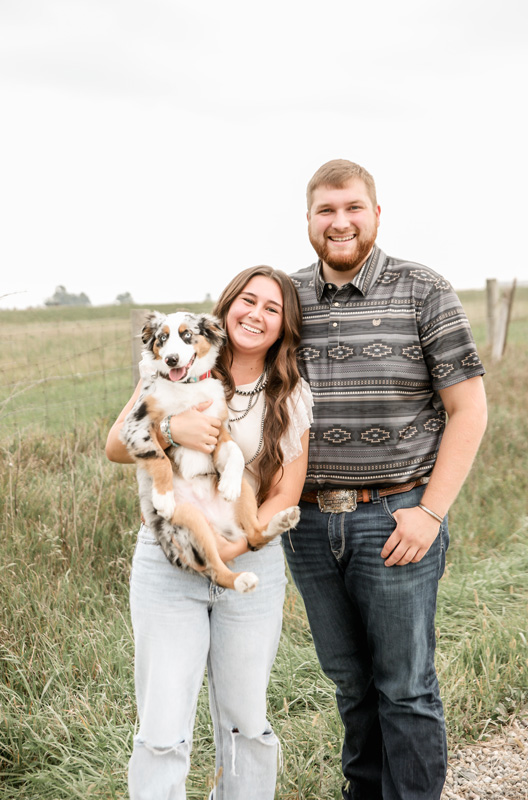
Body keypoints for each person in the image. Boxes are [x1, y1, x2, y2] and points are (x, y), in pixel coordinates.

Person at [283, 159, 488, 800]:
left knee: (405, 686)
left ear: (376, 214)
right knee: (351, 685)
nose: (339, 222)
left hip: (395, 517)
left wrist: (429, 512)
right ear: (309, 219)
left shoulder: (423, 290)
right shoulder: (287, 298)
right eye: (326, 210)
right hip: (309, 526)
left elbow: (468, 409)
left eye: (352, 208)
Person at [106, 266, 313, 800]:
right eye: (248, 300)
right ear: (226, 309)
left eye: (272, 307)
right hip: (167, 560)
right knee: (161, 728)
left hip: (250, 558)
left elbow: (287, 493)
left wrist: (235, 547)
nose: (257, 314)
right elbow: (114, 444)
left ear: (284, 324)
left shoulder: (289, 392)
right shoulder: (172, 372)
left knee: (247, 721)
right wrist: (171, 429)